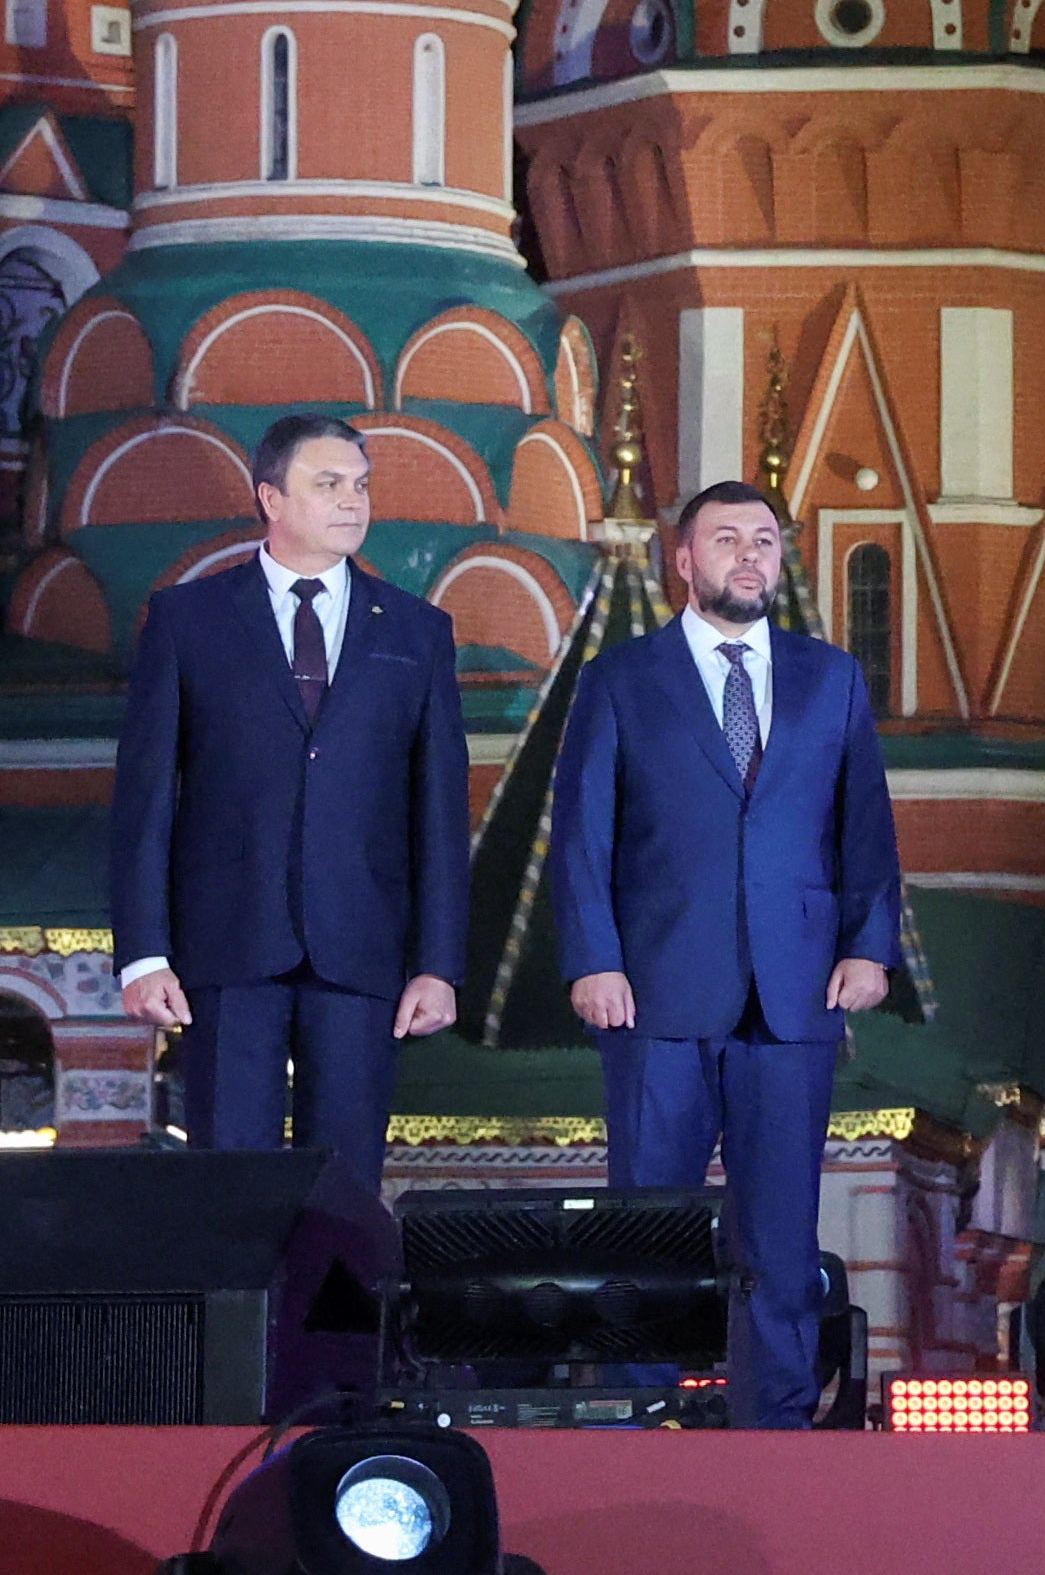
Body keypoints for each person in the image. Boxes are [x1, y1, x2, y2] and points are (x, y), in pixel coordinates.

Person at [551, 479, 902, 1427]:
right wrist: (593, 959)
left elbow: (863, 824)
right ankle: (639, 1412)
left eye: (764, 541)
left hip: (794, 998)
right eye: (726, 540)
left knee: (782, 1238)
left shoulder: (831, 677)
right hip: (655, 993)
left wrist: (870, 948)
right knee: (649, 1224)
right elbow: (581, 830)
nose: (748, 557)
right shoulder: (621, 678)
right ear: (684, 558)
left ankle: (776, 1424)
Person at [109, 414, 467, 1182]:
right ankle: (239, 1312)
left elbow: (438, 811)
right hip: (227, 947)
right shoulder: (187, 619)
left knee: (342, 1190)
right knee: (228, 1190)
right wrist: (143, 953)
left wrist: (437, 963)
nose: (352, 502)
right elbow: (145, 801)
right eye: (328, 484)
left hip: (362, 950)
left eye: (361, 486)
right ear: (270, 497)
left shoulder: (417, 629)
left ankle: (334, 1311)